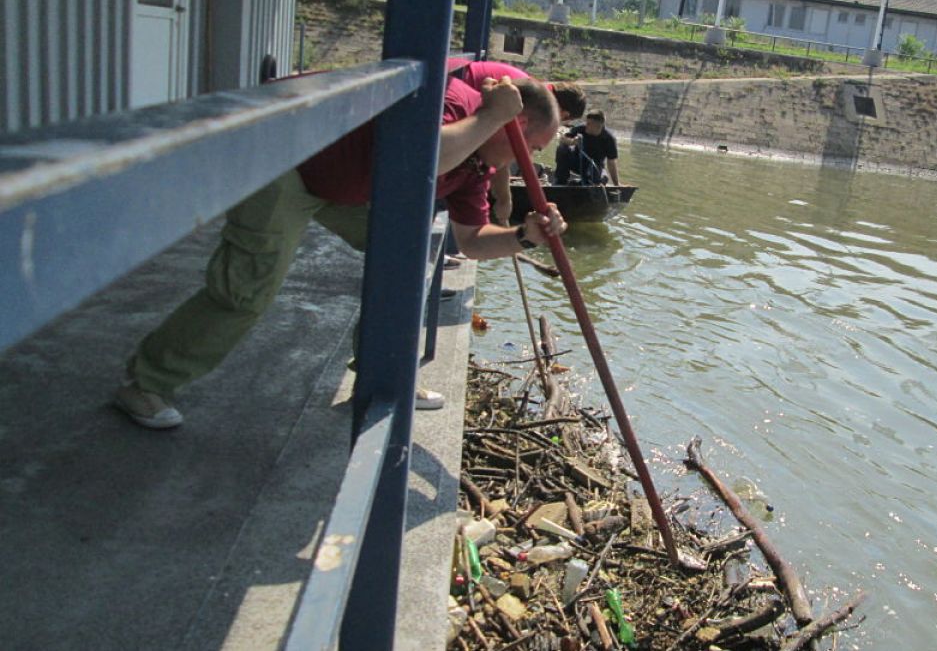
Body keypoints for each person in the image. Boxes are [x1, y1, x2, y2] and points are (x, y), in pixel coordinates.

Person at [114, 75, 565, 430]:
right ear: (519, 125)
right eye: (535, 149)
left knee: (407, 258)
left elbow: (469, 241)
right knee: (247, 288)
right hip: (291, 163)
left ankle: (379, 374)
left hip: (345, 187)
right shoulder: (459, 105)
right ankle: (146, 383)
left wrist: (523, 238)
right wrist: (490, 117)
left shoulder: (477, 164)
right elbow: (421, 155)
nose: (525, 163)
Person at [448, 58, 586, 223]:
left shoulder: (532, 89)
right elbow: (503, 150)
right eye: (563, 121)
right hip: (448, 98)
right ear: (564, 114)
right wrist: (505, 200)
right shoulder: (525, 100)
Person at [554, 109, 620, 187]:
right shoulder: (581, 129)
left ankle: (583, 182)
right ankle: (561, 182)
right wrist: (572, 142)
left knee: (600, 180)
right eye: (586, 122)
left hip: (594, 166)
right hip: (576, 162)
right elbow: (562, 139)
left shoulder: (609, 139)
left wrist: (616, 184)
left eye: (589, 124)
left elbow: (611, 163)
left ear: (599, 126)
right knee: (562, 148)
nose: (586, 125)